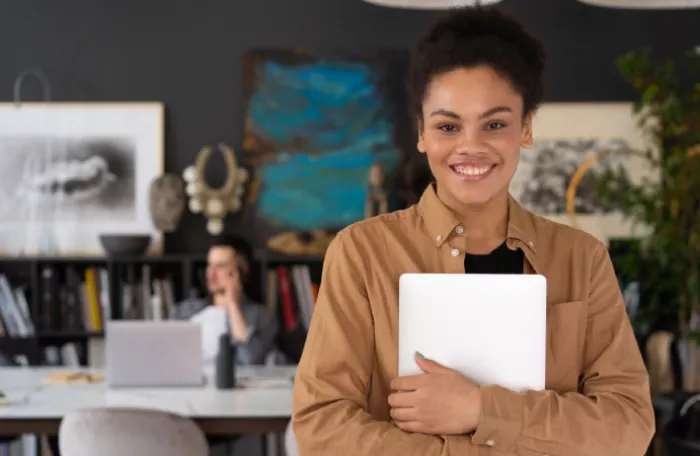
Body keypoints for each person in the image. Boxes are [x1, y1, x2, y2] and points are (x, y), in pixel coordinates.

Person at [291, 6, 655, 456]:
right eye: (448, 126)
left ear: (525, 128)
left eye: (495, 124)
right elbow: (321, 425)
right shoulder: (362, 253)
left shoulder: (582, 258)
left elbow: (629, 425)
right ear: (421, 133)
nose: (471, 147)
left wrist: (481, 408)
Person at [173, 235, 278, 366]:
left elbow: (251, 361)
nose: (210, 274)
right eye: (209, 265)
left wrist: (233, 304)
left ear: (241, 270)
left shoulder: (261, 317)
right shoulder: (184, 311)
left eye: (220, 266)